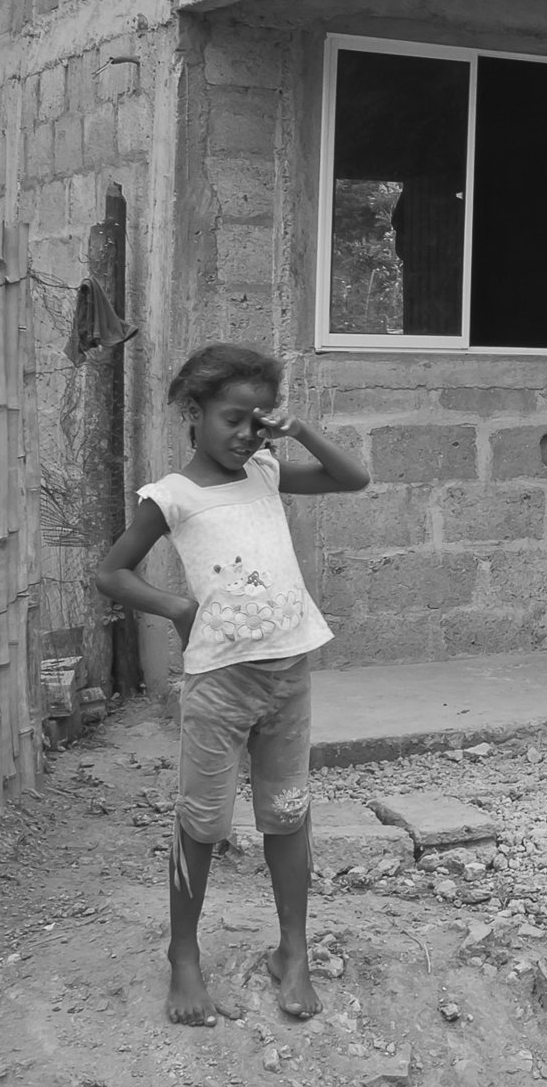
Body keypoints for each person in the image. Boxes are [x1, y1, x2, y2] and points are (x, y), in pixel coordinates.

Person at [95, 344, 369, 1025]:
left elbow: (352, 479)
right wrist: (179, 608)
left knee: (288, 813)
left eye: (258, 420)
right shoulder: (173, 497)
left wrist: (296, 429)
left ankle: (293, 951)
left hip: (287, 676)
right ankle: (183, 957)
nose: (247, 433)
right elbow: (113, 572)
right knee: (202, 823)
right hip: (219, 686)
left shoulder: (266, 470)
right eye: (233, 418)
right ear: (193, 412)